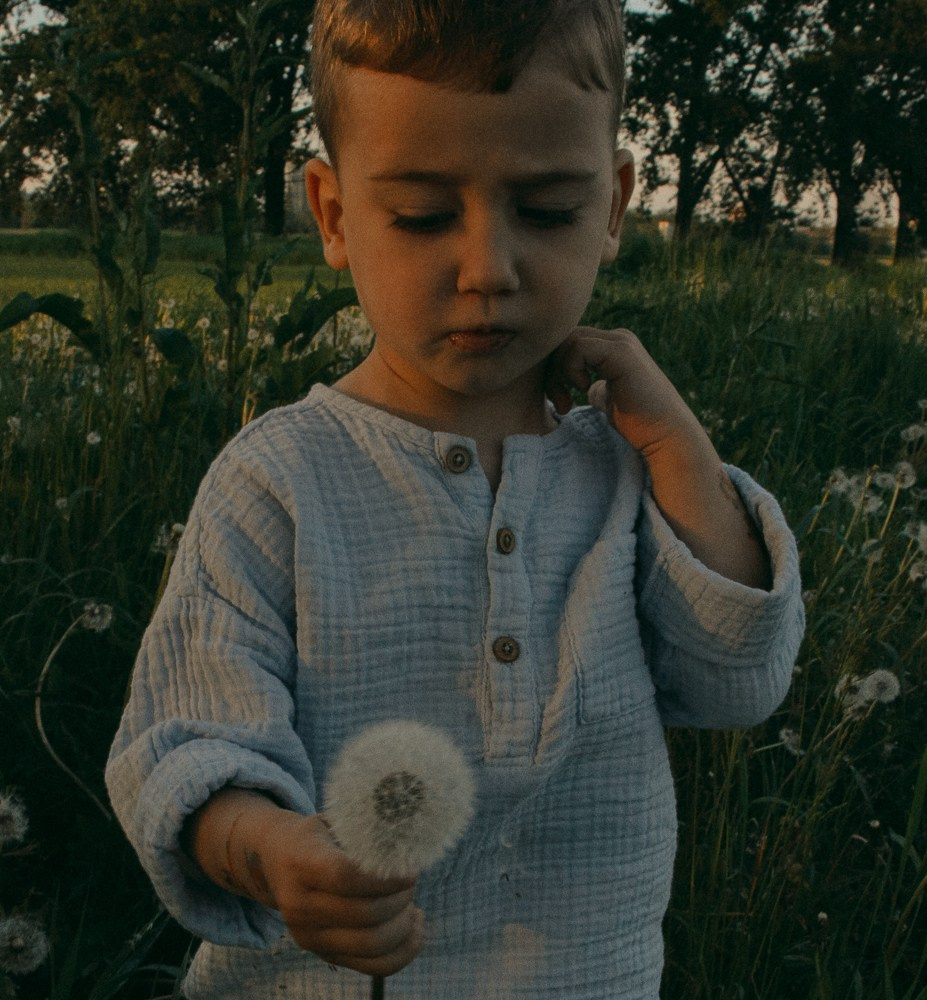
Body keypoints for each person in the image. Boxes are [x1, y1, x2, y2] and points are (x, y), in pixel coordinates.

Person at [105, 1, 805, 997]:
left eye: (550, 210)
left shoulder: (626, 466)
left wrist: (678, 445)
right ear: (335, 215)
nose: (490, 271)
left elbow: (741, 682)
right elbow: (184, 737)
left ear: (613, 205)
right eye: (425, 216)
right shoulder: (279, 480)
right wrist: (272, 850)